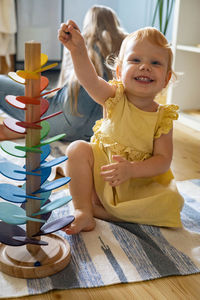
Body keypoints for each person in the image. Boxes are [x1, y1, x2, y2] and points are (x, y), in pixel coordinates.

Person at [58, 21, 184, 235]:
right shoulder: (113, 97)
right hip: (102, 173)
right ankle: (84, 210)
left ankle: (109, 210)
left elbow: (163, 161)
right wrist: (78, 50)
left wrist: (132, 170)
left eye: (155, 62)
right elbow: (89, 80)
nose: (145, 67)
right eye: (135, 60)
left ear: (166, 79)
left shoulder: (163, 117)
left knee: (172, 202)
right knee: (77, 149)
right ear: (119, 70)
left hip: (136, 181)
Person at [0, 5, 126, 141]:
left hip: (67, 117)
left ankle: (32, 128)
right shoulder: (127, 46)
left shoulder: (81, 43)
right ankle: (31, 128)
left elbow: (64, 85)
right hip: (98, 129)